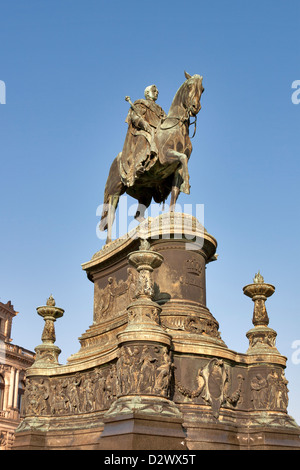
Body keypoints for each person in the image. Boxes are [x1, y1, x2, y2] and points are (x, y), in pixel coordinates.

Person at [119, 85, 166, 187]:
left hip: (157, 130)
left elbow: (165, 120)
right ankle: (137, 165)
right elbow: (134, 117)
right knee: (144, 138)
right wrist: (144, 124)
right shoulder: (140, 103)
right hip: (143, 130)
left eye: (157, 91)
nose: (157, 92)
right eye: (154, 90)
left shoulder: (160, 109)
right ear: (147, 93)